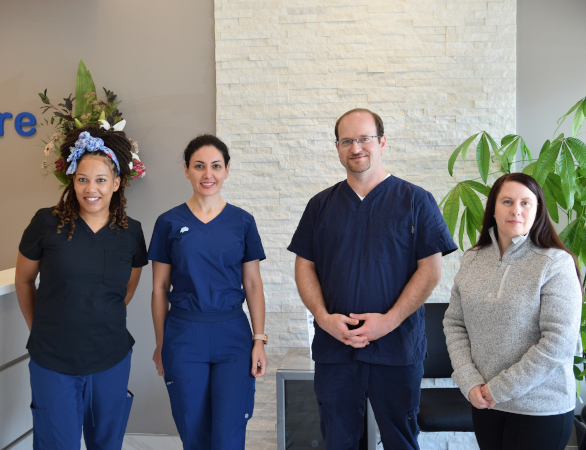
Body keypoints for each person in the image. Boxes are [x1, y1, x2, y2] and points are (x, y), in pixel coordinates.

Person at [288, 108, 457, 450]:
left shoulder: (415, 201)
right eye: (346, 140)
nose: (356, 148)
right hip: (336, 348)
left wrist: (389, 322)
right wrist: (323, 318)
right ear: (337, 147)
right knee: (338, 440)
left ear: (382, 142)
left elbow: (431, 269)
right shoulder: (320, 205)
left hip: (396, 348)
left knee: (401, 441)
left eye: (364, 138)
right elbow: (304, 266)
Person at [15, 126, 148, 450]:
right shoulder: (46, 223)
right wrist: (41, 327)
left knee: (106, 444)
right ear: (72, 180)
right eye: (83, 179)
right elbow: (23, 280)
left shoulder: (131, 233)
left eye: (101, 180)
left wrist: (97, 316)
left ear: (116, 183)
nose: (92, 189)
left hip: (111, 359)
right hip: (53, 362)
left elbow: (126, 290)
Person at [443, 173, 582, 450]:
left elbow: (559, 342)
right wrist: (469, 381)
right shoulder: (472, 259)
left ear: (538, 210)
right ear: (493, 208)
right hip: (484, 403)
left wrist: (499, 389)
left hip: (539, 408)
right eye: (507, 201)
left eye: (525, 203)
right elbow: (454, 323)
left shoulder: (555, 263)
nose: (516, 210)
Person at [148, 134, 268, 450]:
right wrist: (161, 344)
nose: (208, 174)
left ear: (227, 170)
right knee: (194, 432)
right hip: (184, 335)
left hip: (233, 336)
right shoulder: (168, 223)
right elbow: (159, 288)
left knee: (229, 436)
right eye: (199, 166)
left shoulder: (242, 222)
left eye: (216, 166)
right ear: (186, 170)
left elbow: (253, 284)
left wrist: (259, 340)